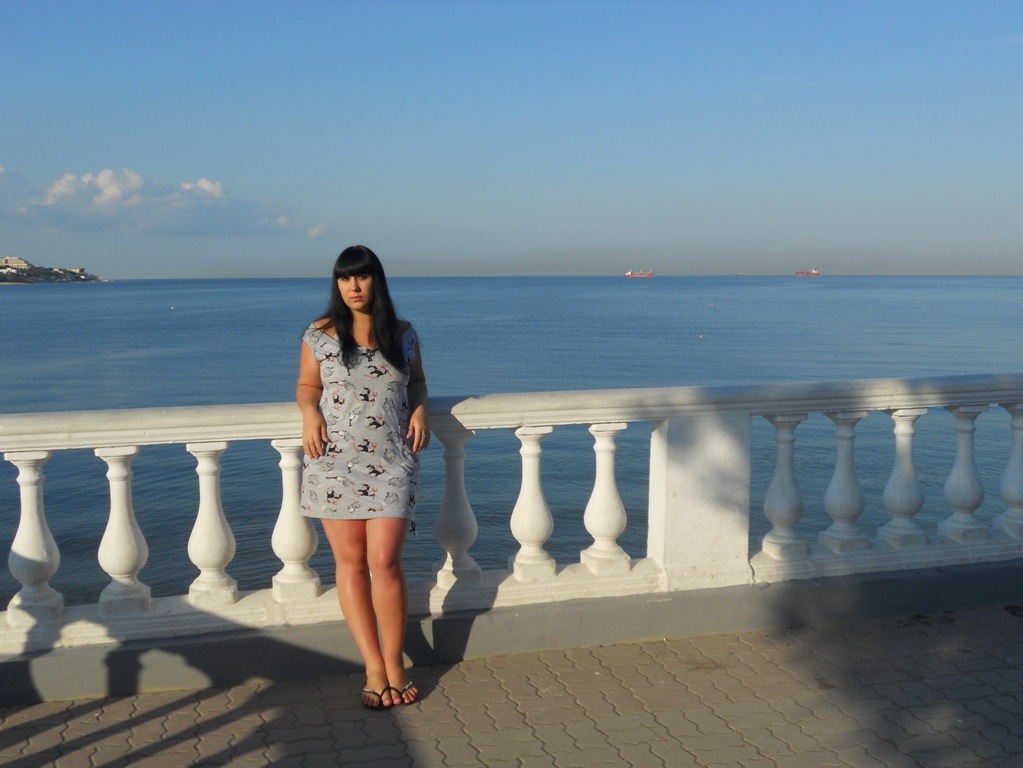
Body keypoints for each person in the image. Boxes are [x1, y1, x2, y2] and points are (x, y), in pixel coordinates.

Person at [297, 245, 429, 709]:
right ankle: (374, 667)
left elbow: (416, 381)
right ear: (337, 284)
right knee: (351, 563)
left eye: (362, 277)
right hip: (333, 461)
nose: (353, 286)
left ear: (376, 280)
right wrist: (309, 413)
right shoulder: (320, 334)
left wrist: (420, 409)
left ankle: (395, 663)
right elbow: (307, 385)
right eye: (344, 278)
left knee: (385, 561)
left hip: (391, 460)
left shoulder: (403, 334)